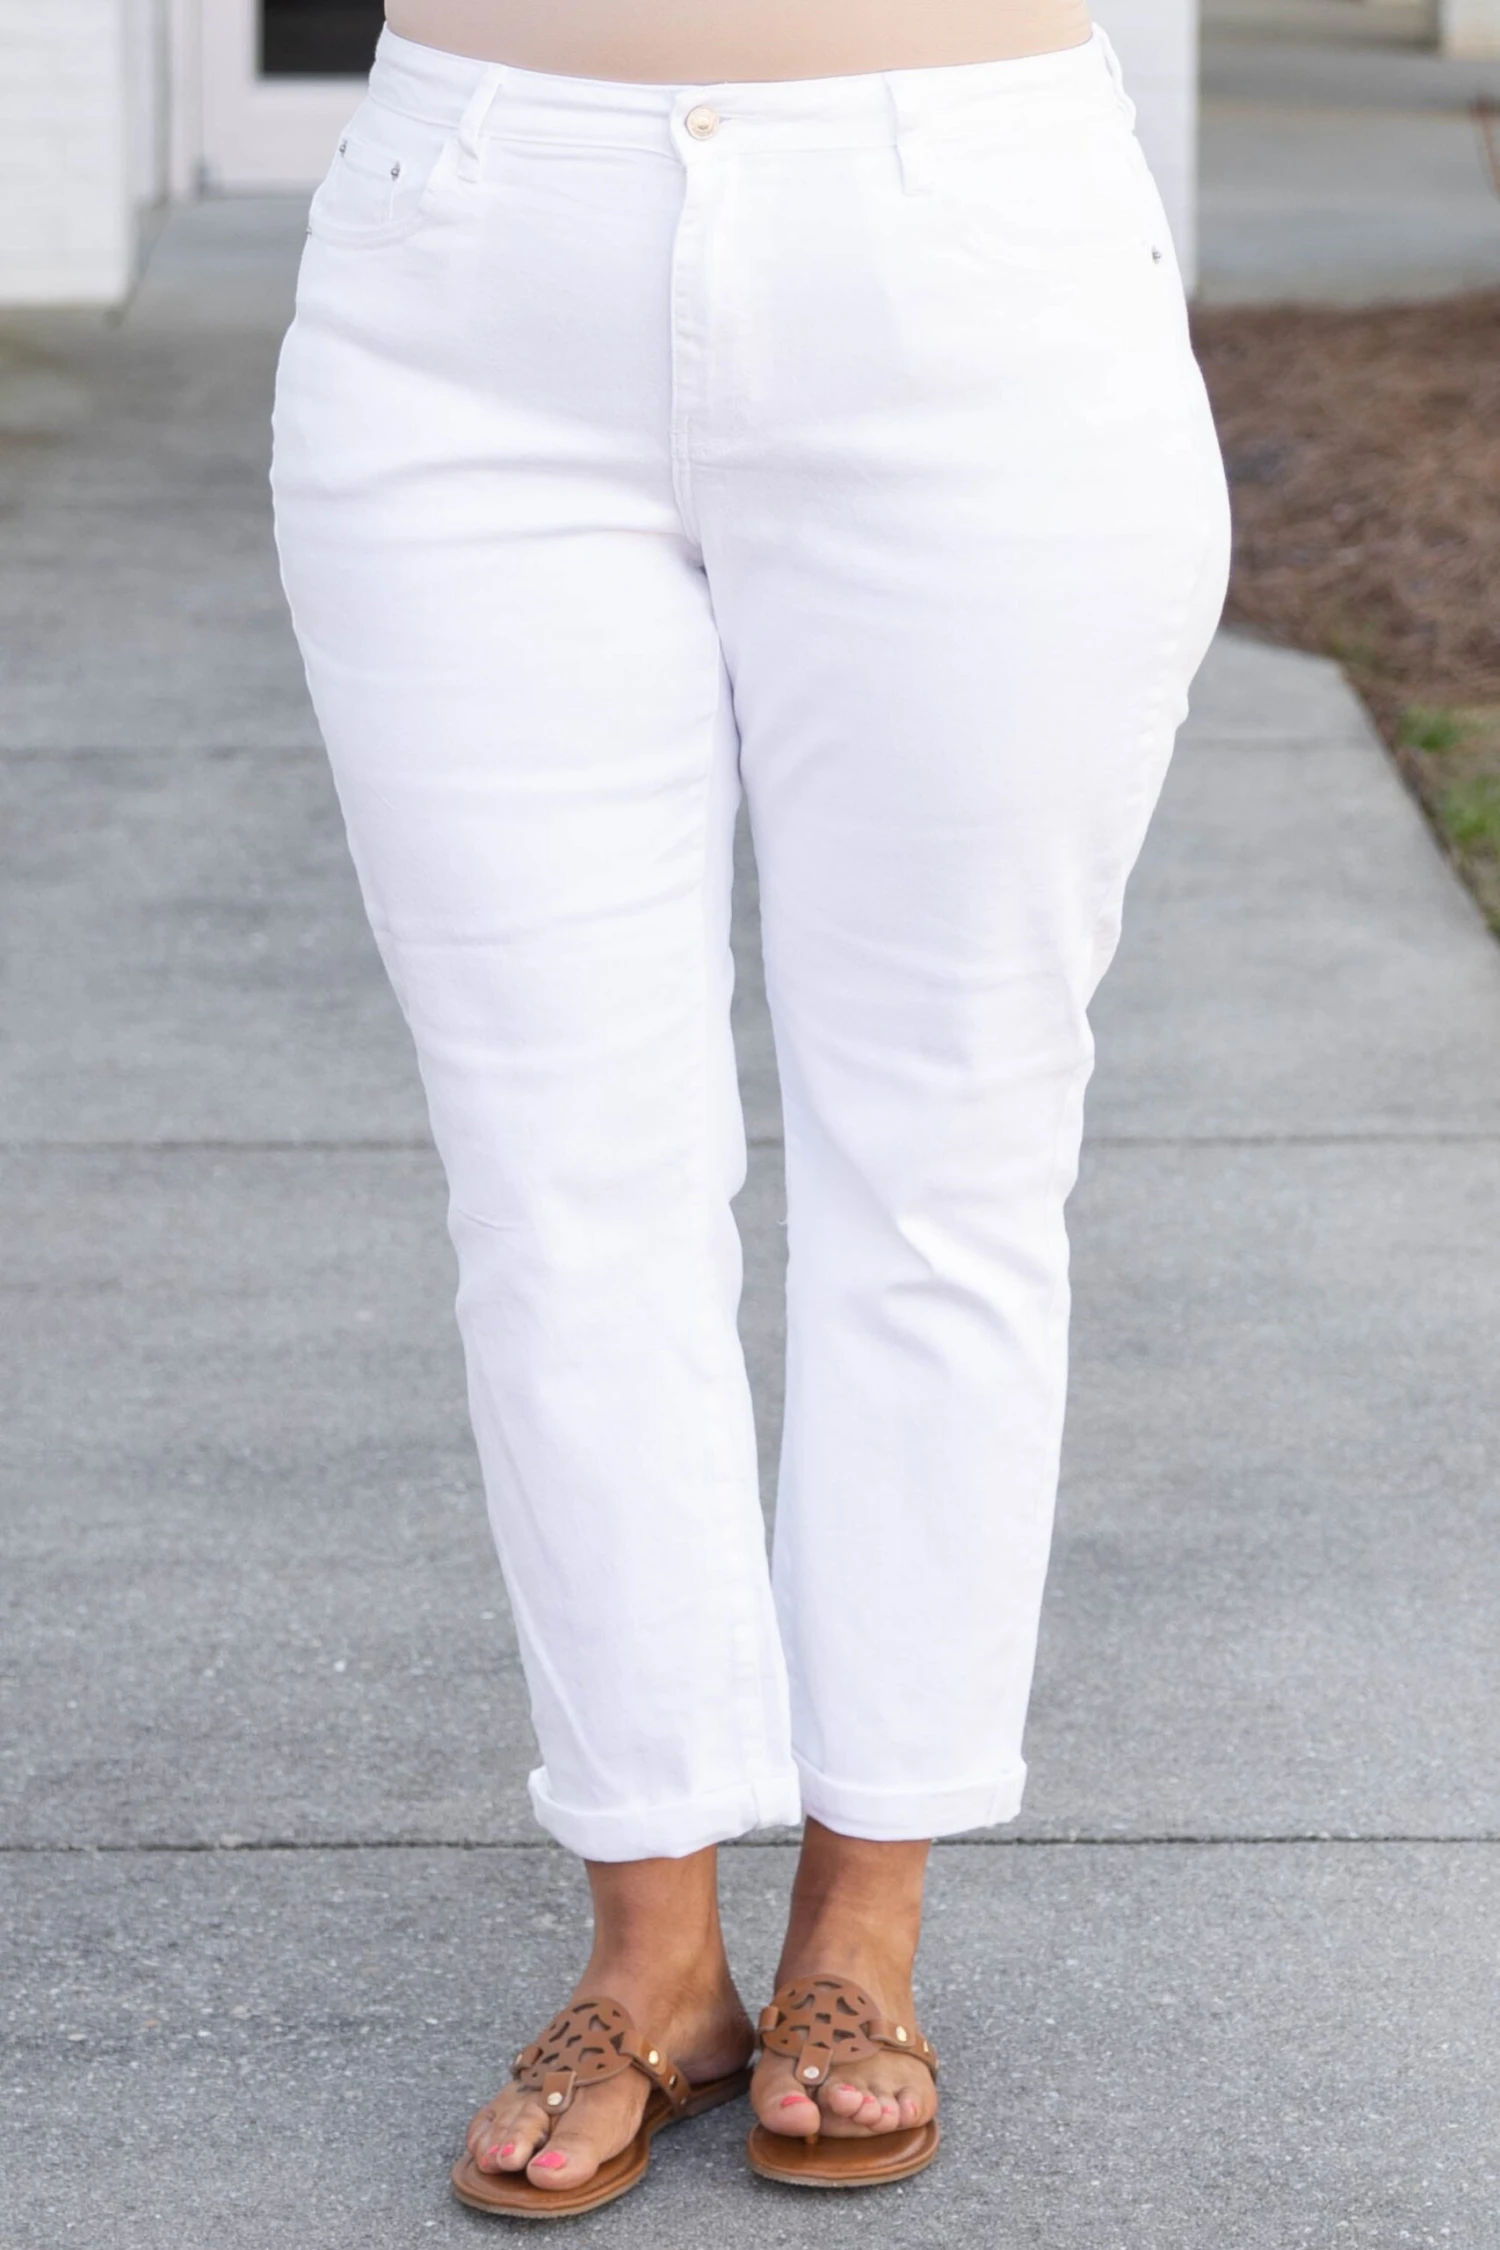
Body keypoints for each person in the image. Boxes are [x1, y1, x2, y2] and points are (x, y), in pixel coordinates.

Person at [270, 0, 1230, 2214]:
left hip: (968, 255)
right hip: (469, 271)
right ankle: (654, 1949)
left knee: (950, 1159)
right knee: (557, 1191)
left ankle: (861, 1926)